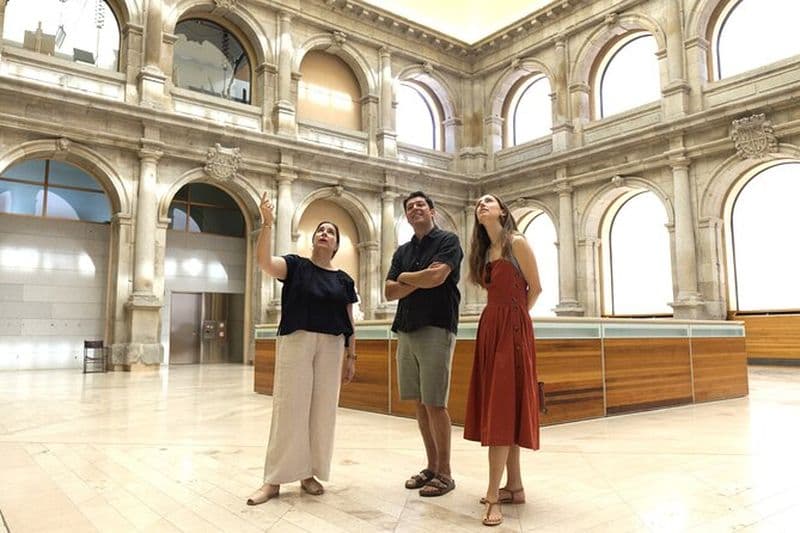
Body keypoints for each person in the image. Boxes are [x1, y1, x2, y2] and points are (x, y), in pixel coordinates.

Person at [247, 192, 358, 505]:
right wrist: (267, 224)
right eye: (320, 230)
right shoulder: (296, 266)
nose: (325, 233)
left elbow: (349, 321)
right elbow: (264, 262)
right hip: (297, 340)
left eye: (330, 232)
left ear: (336, 245)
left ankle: (308, 472)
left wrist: (352, 355)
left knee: (322, 411)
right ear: (314, 240)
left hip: (333, 345)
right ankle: (273, 480)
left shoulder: (344, 280)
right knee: (289, 408)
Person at [462, 194, 542, 527]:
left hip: (510, 327)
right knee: (503, 405)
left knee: (502, 408)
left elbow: (535, 288)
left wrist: (516, 320)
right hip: (491, 327)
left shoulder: (517, 243)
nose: (482, 205)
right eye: (478, 203)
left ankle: (494, 496)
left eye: (489, 202)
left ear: (502, 211)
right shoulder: (483, 252)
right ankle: (515, 486)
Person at [385, 190, 463, 497]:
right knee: (419, 403)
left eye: (421, 205)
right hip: (406, 328)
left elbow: (437, 278)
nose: (415, 209)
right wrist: (416, 278)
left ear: (432, 211)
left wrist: (405, 277)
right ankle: (431, 467)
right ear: (406, 216)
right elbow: (389, 292)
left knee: (435, 403)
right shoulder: (402, 250)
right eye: (410, 207)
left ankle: (445, 473)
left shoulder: (448, 241)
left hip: (436, 327)